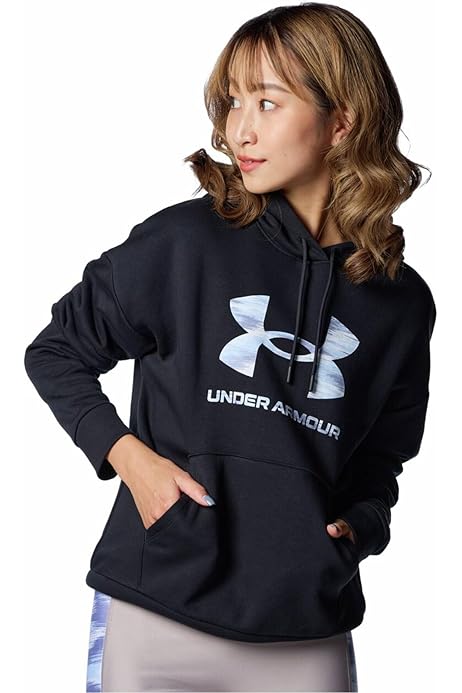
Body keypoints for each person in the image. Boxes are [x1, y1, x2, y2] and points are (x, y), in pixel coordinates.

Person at [24, 3, 436, 692]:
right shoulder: (185, 243)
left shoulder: (400, 302)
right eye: (233, 101)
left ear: (342, 122)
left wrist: (363, 525)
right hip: (156, 614)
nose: (239, 129)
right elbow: (57, 351)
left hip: (306, 631)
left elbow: (385, 454)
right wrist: (131, 461)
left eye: (267, 102)